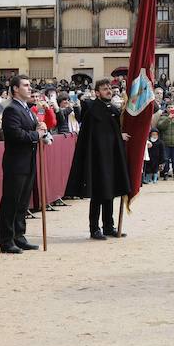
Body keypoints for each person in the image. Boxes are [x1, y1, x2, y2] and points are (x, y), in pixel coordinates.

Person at [65, 78, 131, 241]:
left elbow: (113, 130)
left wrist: (119, 135)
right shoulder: (92, 110)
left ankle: (109, 226)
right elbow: (96, 134)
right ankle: (94, 228)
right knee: (98, 194)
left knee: (110, 191)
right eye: (104, 89)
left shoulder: (114, 109)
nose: (108, 90)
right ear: (97, 92)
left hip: (111, 156)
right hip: (96, 157)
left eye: (109, 88)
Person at [0, 75, 43, 254]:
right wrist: (36, 135)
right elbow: (15, 134)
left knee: (23, 201)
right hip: (16, 163)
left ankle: (19, 235)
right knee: (11, 201)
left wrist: (41, 132)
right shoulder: (12, 110)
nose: (30, 88)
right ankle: (7, 240)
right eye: (26, 85)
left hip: (28, 161)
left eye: (30, 85)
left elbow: (33, 130)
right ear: (15, 89)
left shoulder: (27, 109)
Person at [156, 104, 174, 179]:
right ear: (166, 108)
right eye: (168, 107)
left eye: (171, 107)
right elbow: (160, 126)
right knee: (166, 158)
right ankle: (165, 173)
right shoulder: (163, 117)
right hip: (166, 142)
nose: (170, 109)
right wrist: (168, 119)